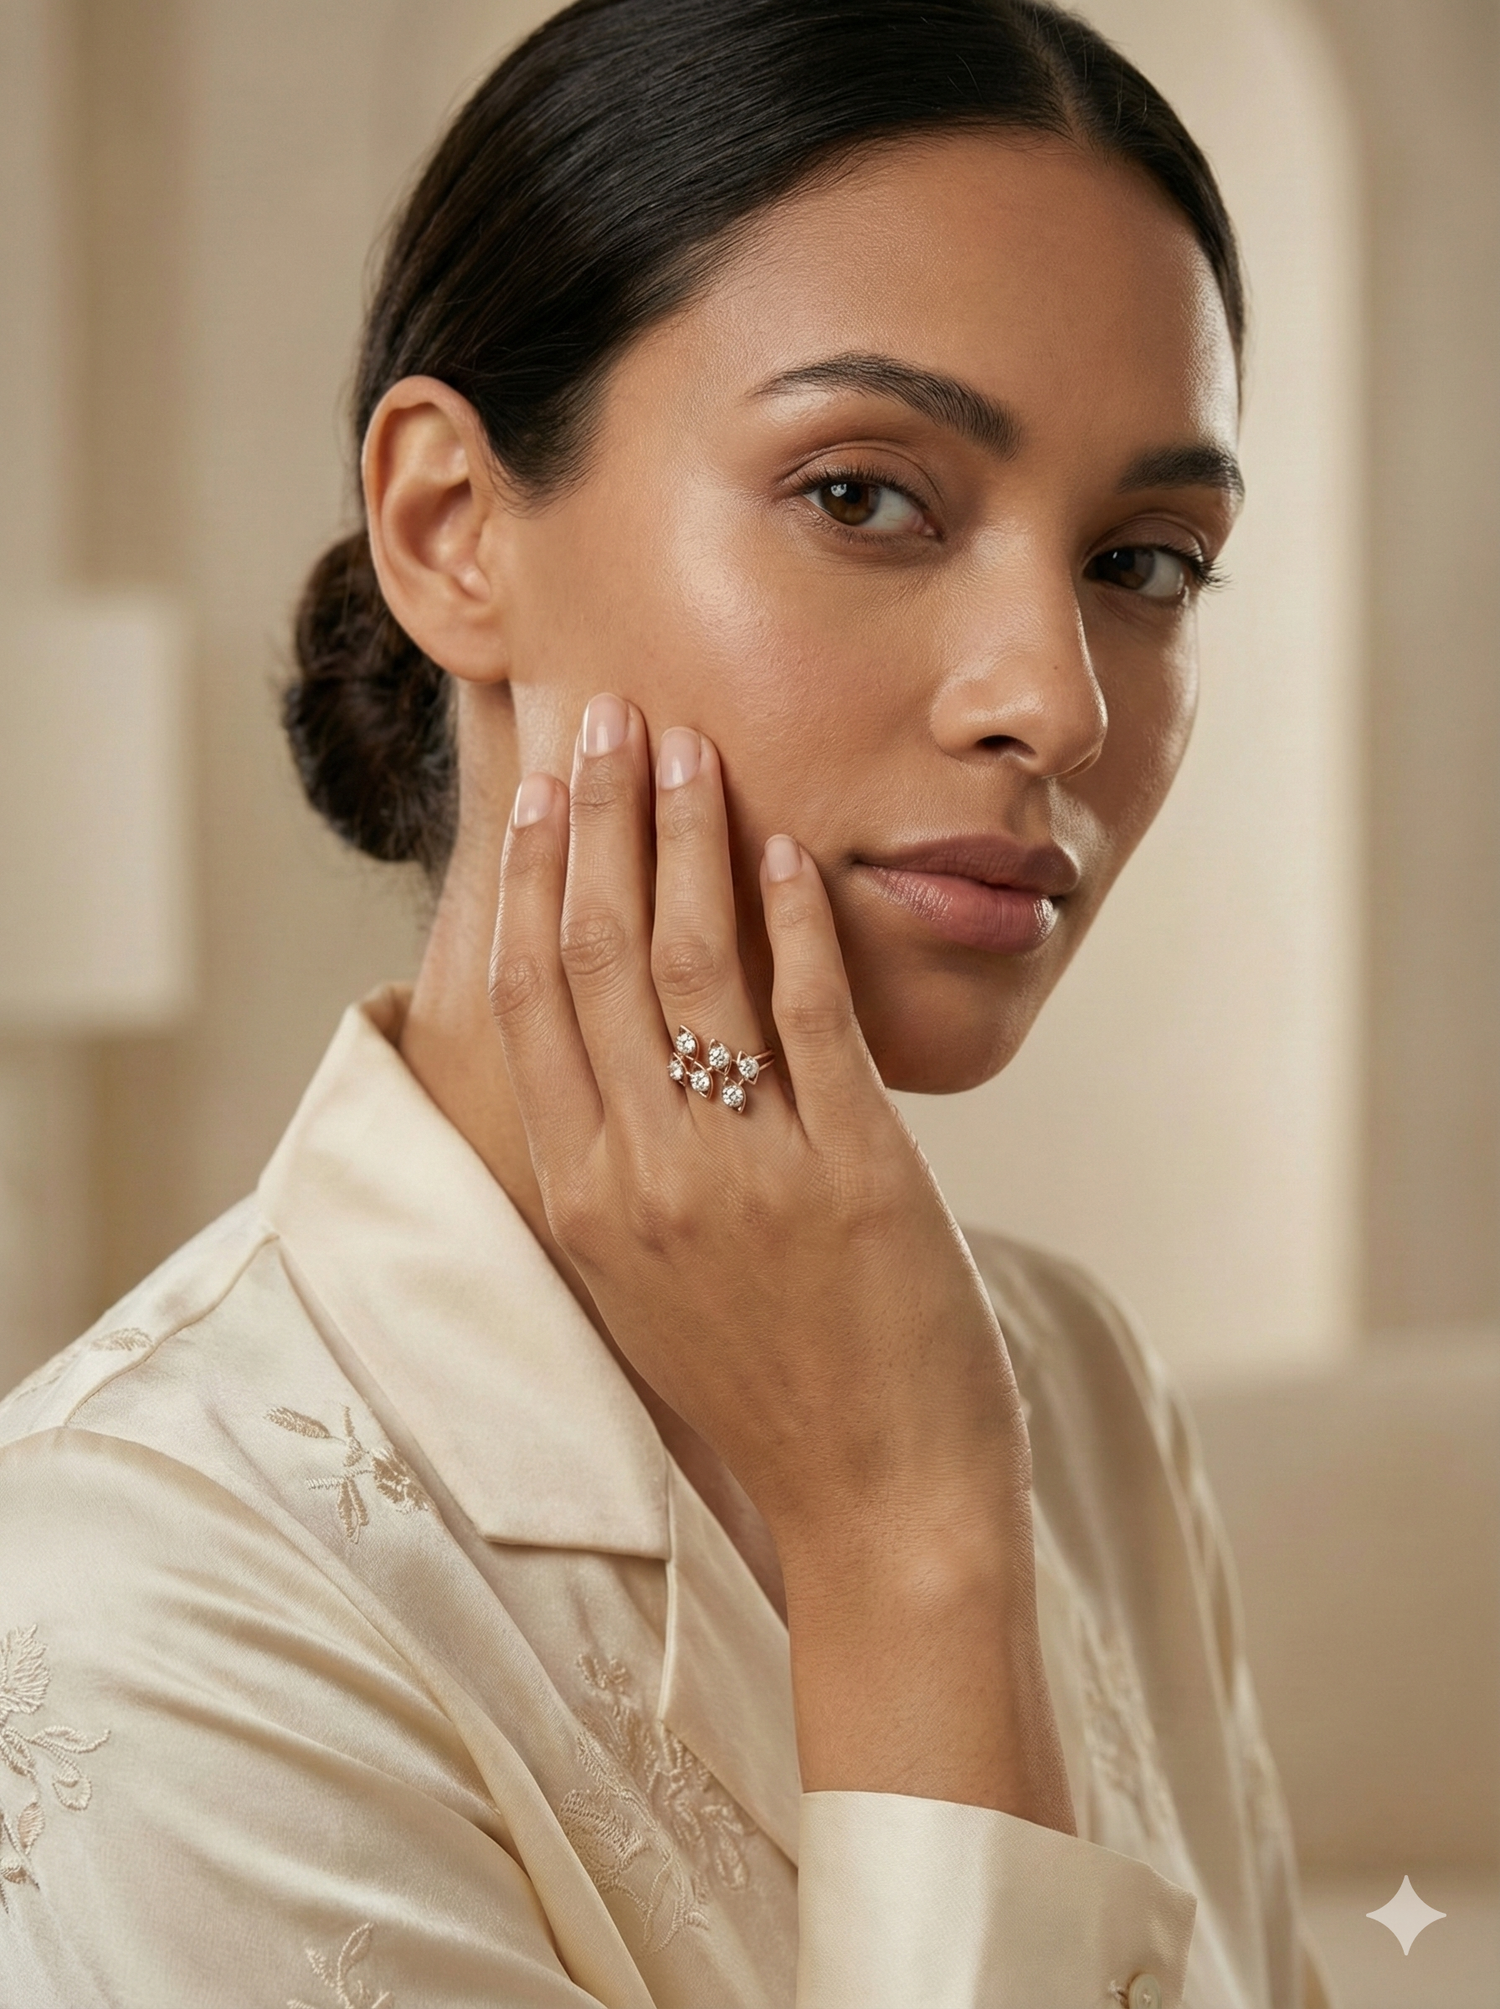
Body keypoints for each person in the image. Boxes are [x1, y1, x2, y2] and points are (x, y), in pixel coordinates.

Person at [0, 1, 1337, 2003]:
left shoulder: (1063, 1376)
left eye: (1147, 558)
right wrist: (905, 1552)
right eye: (867, 495)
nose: (1057, 696)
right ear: (452, 530)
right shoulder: (130, 1597)